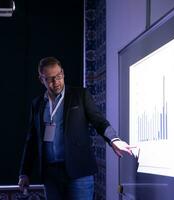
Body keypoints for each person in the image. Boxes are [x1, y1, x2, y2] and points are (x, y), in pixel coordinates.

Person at [18, 57, 133, 200]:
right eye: (50, 79)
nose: (56, 82)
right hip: (51, 175)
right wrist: (25, 172)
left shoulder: (80, 95)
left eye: (59, 76)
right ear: (41, 79)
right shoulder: (37, 104)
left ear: (63, 73)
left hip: (79, 171)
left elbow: (99, 121)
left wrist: (114, 139)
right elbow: (32, 140)